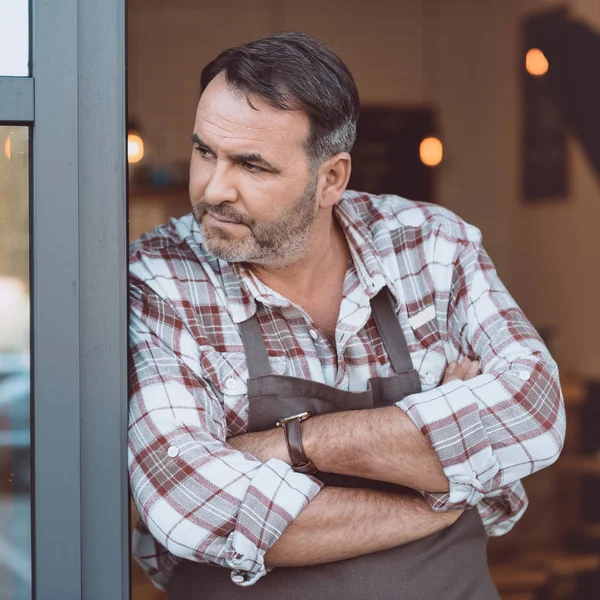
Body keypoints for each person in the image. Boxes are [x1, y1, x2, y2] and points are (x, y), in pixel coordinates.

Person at [128, 32, 566, 599]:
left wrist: (292, 446)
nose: (213, 189)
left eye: (251, 166)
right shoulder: (159, 278)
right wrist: (444, 493)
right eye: (205, 151)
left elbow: (532, 411)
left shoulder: (429, 245)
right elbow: (190, 502)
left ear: (331, 178)